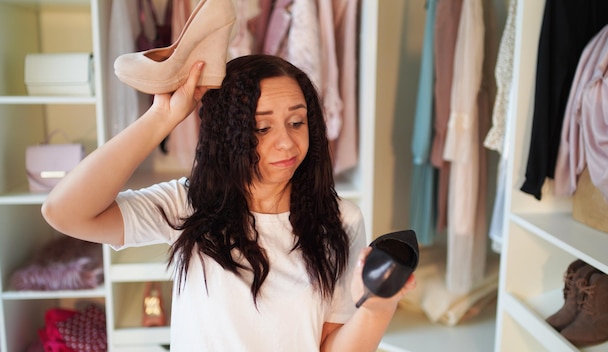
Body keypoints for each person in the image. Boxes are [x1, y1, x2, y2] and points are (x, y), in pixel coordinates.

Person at [42, 54, 415, 351]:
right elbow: (63, 211)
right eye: (262, 127)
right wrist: (161, 118)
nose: (286, 142)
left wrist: (378, 308)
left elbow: (331, 347)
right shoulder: (189, 204)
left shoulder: (341, 220)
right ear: (230, 135)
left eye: (297, 122)